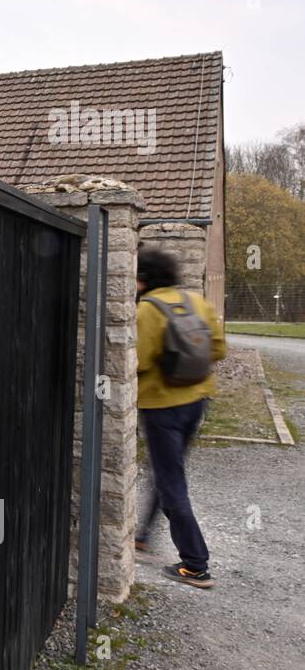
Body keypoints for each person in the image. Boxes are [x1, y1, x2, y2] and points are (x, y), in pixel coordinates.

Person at [134, 246, 226, 588]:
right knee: (167, 470)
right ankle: (143, 535)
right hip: (198, 399)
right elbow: (218, 348)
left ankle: (195, 564)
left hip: (162, 406)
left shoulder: (148, 310)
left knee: (171, 480)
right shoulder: (196, 302)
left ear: (143, 278)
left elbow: (139, 361)